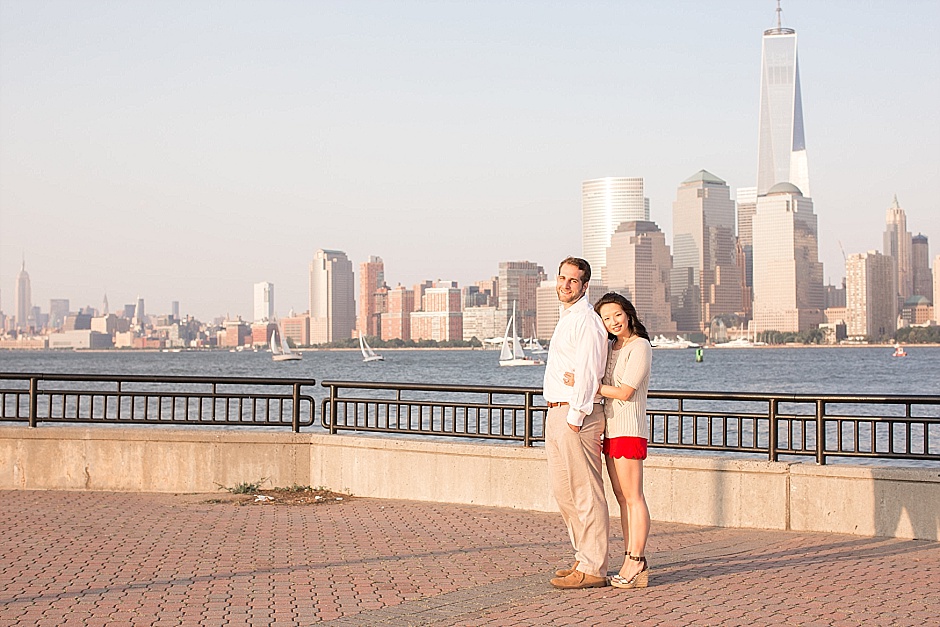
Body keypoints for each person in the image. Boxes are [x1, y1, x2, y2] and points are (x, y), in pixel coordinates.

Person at [564, 292, 652, 589]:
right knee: (621, 497)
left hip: (629, 429)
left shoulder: (639, 346)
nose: (613, 321)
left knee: (633, 497)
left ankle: (636, 560)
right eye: (606, 318)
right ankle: (630, 556)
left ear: (628, 314)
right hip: (611, 429)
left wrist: (588, 384)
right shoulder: (613, 346)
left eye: (617, 315)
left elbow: (626, 391)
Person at [543, 257, 610, 589]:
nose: (565, 285)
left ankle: (594, 566)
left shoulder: (587, 320)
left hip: (576, 416)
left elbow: (588, 371)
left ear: (585, 286)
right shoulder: (566, 318)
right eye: (562, 278)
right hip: (557, 412)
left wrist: (574, 417)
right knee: (564, 492)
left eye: (573, 281)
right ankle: (583, 557)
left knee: (585, 492)